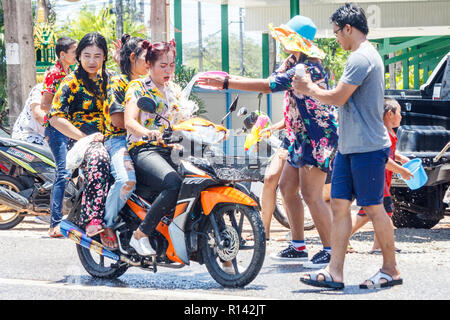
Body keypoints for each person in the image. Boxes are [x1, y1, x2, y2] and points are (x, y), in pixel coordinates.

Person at [198, 15, 337, 270]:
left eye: (287, 36)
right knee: (286, 187)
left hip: (316, 137)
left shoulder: (305, 68)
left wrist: (227, 82)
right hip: (298, 137)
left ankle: (331, 251)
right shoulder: (291, 62)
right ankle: (298, 246)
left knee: (311, 194)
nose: (282, 40)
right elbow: (272, 82)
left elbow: (268, 85)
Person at [295, 3, 403, 289]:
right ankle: (335, 272)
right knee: (340, 206)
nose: (336, 39)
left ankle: (390, 269)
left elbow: (338, 97)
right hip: (349, 147)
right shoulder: (362, 56)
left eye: (337, 33)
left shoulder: (361, 58)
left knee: (373, 207)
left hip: (367, 147)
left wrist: (308, 88)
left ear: (349, 28)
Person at [48, 32, 112, 247]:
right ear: (79, 57)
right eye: (86, 56)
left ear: (105, 57)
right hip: (85, 142)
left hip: (113, 137)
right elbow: (55, 117)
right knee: (99, 158)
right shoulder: (71, 82)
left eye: (97, 56)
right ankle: (93, 218)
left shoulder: (111, 79)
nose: (92, 61)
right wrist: (85, 138)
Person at [124, 39, 183, 256]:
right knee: (173, 183)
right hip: (144, 148)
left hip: (172, 148)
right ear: (149, 64)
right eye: (163, 66)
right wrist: (148, 132)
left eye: (172, 65)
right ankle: (141, 234)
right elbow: (130, 121)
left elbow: (182, 119)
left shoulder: (174, 90)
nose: (168, 70)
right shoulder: (138, 87)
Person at [101, 34, 151, 248]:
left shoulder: (150, 82)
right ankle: (107, 223)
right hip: (118, 140)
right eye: (146, 59)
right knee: (126, 180)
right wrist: (145, 128)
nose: (151, 64)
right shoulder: (118, 82)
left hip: (144, 141)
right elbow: (118, 119)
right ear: (133, 58)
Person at [349, 98, 412, 254]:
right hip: (376, 178)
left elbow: (389, 154)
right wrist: (401, 170)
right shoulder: (382, 133)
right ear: (390, 114)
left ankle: (378, 245)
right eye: (399, 112)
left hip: (381, 179)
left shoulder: (390, 132)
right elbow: (382, 159)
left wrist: (399, 157)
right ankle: (337, 238)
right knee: (376, 212)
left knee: (374, 212)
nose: (401, 116)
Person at [40, 36, 77, 238]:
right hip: (56, 130)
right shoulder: (54, 74)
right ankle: (54, 224)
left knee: (74, 172)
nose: (77, 56)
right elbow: (45, 105)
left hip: (68, 128)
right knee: (62, 174)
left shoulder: (69, 72)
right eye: (74, 52)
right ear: (63, 55)